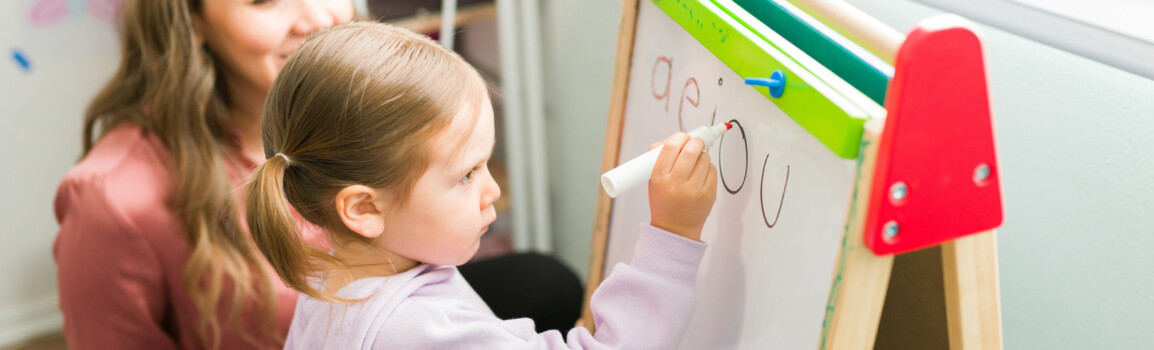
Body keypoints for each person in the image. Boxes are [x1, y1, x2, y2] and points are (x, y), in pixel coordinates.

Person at [52, 1, 578, 349]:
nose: (318, 15)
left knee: (543, 281)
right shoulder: (111, 197)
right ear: (190, 20)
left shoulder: (361, 125)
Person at [245, 22, 718, 348]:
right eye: (467, 174)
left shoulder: (332, 271)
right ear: (365, 210)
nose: (492, 191)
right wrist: (672, 234)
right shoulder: (421, 332)